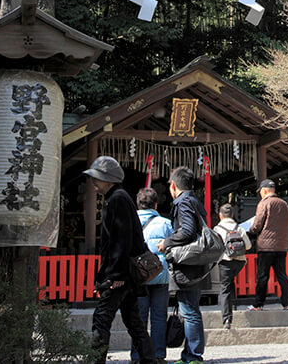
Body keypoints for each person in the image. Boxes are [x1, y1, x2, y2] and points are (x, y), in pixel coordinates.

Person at [83, 156, 157, 364]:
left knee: (102, 319)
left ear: (108, 179)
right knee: (133, 322)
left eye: (96, 178)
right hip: (125, 274)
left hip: (119, 274)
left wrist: (114, 276)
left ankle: (96, 360)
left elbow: (120, 241)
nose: (94, 182)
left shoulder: (117, 199)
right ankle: (149, 360)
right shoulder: (119, 198)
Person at [157, 166, 208, 364]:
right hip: (196, 262)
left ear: (173, 185)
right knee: (191, 308)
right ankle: (191, 354)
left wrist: (166, 242)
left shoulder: (184, 202)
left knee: (189, 310)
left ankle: (193, 356)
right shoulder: (194, 201)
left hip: (187, 265)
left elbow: (187, 231)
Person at [132, 187, 174, 364]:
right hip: (160, 274)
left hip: (138, 276)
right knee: (158, 316)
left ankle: (137, 356)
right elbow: (173, 246)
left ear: (138, 204)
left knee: (138, 318)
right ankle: (158, 355)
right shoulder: (165, 223)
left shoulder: (130, 221)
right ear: (156, 204)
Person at [247, 178, 288, 311]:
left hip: (266, 246)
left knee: (262, 276)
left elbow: (257, 225)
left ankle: (258, 303)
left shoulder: (264, 203)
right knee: (282, 274)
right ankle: (287, 303)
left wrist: (250, 231)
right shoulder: (284, 204)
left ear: (264, 190)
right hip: (281, 246)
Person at [213, 203, 252, 327]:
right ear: (232, 215)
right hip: (240, 262)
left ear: (220, 215)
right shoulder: (239, 228)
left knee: (225, 288)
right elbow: (248, 245)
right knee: (230, 283)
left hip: (225, 262)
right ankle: (233, 305)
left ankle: (227, 319)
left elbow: (215, 248)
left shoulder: (217, 229)